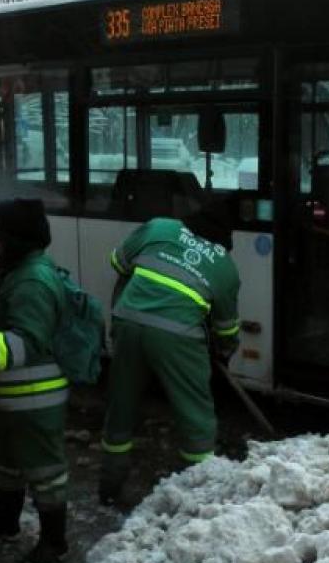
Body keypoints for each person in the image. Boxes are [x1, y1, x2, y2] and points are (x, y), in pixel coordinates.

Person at [99, 204, 241, 507]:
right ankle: (199, 492)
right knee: (196, 416)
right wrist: (223, 352)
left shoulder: (159, 227)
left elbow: (119, 264)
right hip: (179, 337)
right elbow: (226, 330)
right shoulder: (225, 267)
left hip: (128, 321)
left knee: (121, 405)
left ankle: (110, 484)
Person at [0, 199, 70, 563]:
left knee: (44, 471)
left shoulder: (33, 281)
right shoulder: (16, 272)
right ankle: (6, 520)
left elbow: (29, 342)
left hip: (35, 400)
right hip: (11, 400)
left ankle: (54, 540)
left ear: (13, 238)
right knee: (5, 461)